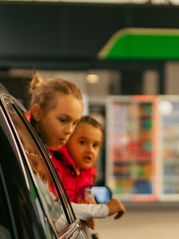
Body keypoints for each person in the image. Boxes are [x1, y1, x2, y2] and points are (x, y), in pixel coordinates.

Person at [27, 73, 125, 222]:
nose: (69, 130)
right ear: (37, 113)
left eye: (74, 123)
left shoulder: (43, 152)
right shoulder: (28, 153)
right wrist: (101, 209)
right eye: (63, 120)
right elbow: (52, 213)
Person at [65, 115, 125, 226]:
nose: (90, 150)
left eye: (95, 145)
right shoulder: (58, 169)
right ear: (66, 140)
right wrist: (101, 209)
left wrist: (91, 211)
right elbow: (56, 211)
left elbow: (91, 221)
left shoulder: (87, 178)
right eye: (82, 142)